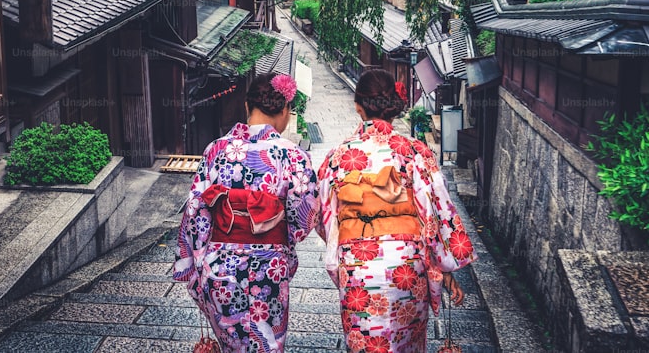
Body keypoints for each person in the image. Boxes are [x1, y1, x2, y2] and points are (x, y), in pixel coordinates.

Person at [316, 70, 475, 353]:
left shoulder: (337, 157)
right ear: (393, 105)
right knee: (406, 344)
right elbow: (438, 211)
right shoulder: (414, 151)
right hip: (407, 264)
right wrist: (443, 266)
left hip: (357, 265)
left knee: (367, 344)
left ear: (357, 105)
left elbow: (323, 216)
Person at [174, 72, 319, 352]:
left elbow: (195, 210)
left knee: (232, 346)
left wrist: (194, 262)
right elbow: (304, 217)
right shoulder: (293, 155)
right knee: (267, 343)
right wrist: (276, 236)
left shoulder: (215, 150)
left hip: (220, 270)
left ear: (246, 105)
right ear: (285, 110)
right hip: (269, 269)